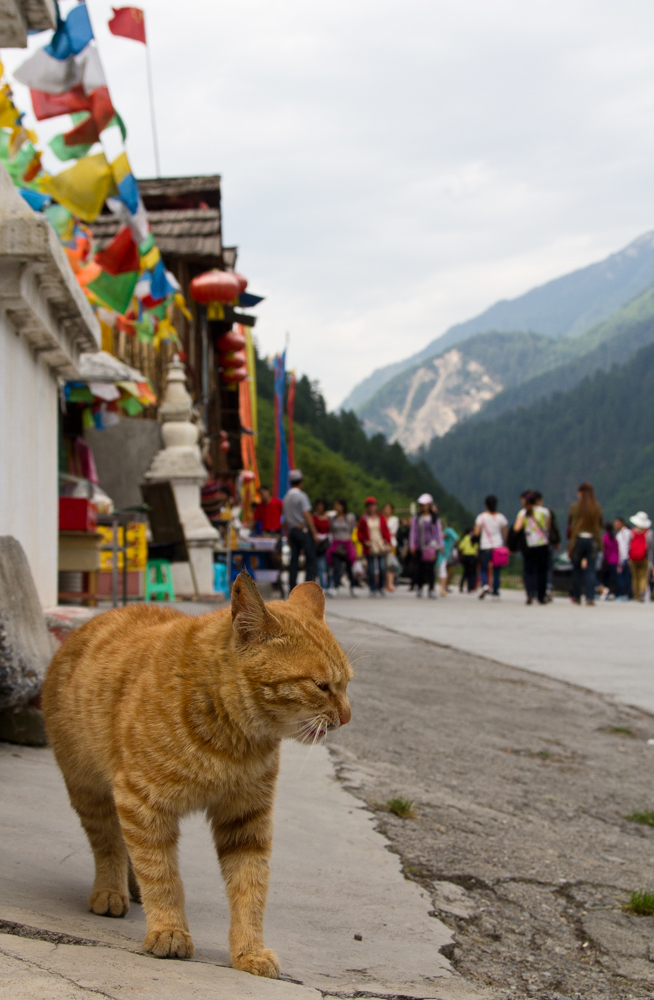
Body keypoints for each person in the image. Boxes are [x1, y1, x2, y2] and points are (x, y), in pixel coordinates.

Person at [567, 482, 603, 606]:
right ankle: (590, 597)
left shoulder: (574, 507)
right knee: (591, 570)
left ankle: (576, 597)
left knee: (577, 570)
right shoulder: (596, 507)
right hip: (592, 541)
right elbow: (601, 524)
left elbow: (570, 522)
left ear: (580, 492)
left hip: (578, 541)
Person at [283, 469, 319, 591]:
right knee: (311, 560)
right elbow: (306, 514)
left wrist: (287, 534)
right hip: (302, 530)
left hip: (292, 531)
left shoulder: (286, 497)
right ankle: (309, 589)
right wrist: (314, 533)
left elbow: (286, 519)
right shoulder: (301, 496)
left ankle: (291, 587)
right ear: (301, 482)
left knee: (294, 560)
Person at [513, 492, 551, 605]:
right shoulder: (545, 511)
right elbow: (548, 527)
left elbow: (517, 528)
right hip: (542, 543)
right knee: (542, 571)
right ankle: (541, 596)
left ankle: (530, 593)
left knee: (529, 570)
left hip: (529, 544)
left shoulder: (523, 512)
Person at [409, 494, 443, 598]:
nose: (423, 507)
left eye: (425, 504)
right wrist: (412, 545)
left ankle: (431, 589)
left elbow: (438, 532)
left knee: (431, 569)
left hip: (431, 547)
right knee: (419, 568)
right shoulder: (417, 518)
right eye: (422, 505)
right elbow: (413, 532)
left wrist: (440, 544)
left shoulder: (434, 518)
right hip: (420, 546)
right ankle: (419, 588)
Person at [474, 495, 508, 599]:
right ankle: (496, 592)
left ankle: (485, 585)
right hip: (498, 547)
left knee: (484, 568)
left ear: (486, 505)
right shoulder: (501, 517)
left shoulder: (481, 517)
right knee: (496, 570)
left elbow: (476, 532)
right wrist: (506, 545)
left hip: (486, 546)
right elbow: (505, 533)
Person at [357, 497, 392, 596]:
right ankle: (372, 588)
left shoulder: (380, 517)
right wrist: (364, 541)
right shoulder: (364, 518)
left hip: (380, 545)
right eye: (369, 506)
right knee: (371, 569)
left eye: (373, 505)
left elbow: (386, 530)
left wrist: (388, 542)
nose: (371, 508)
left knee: (381, 567)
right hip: (370, 546)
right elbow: (360, 532)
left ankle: (380, 587)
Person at [532, 490, 560, 601]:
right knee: (547, 567)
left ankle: (533, 589)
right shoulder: (547, 512)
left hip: (532, 543)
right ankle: (547, 587)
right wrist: (556, 541)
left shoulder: (527, 512)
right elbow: (553, 527)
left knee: (533, 567)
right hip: (546, 543)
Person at [327, 498, 357, 595]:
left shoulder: (349, 517)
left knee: (349, 568)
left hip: (346, 544)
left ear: (342, 506)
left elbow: (352, 528)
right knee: (336, 568)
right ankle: (335, 587)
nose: (335, 507)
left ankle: (353, 586)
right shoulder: (332, 518)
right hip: (336, 545)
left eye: (337, 505)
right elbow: (330, 529)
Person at [628, 511, 653, 602]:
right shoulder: (648, 533)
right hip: (644, 557)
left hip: (633, 557)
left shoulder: (631, 532)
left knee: (635, 577)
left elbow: (628, 545)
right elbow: (650, 546)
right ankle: (642, 591)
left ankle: (636, 595)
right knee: (643, 576)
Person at [312, 498, 331, 591]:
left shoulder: (329, 517)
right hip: (318, 544)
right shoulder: (314, 517)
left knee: (328, 566)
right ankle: (323, 585)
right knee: (320, 566)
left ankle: (330, 585)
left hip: (327, 543)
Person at [614, 516, 633, 600]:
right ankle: (625, 594)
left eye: (617, 524)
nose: (616, 526)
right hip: (620, 559)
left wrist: (629, 557)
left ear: (622, 523)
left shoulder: (627, 532)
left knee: (626, 577)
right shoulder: (618, 534)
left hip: (627, 558)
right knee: (623, 577)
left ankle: (627, 594)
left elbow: (629, 546)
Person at [438, 521, 460, 596]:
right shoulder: (440, 533)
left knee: (444, 571)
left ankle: (444, 588)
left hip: (447, 555)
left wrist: (447, 533)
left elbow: (456, 537)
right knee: (443, 570)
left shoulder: (449, 532)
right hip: (442, 555)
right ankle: (443, 588)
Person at [382, 502, 400, 592]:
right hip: (381, 544)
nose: (387, 510)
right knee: (383, 564)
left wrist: (385, 533)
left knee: (390, 565)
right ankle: (384, 583)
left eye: (389, 508)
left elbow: (393, 531)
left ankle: (390, 583)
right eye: (385, 508)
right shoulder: (380, 518)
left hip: (391, 544)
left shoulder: (394, 519)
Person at [599, 521, 619, 600]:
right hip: (615, 560)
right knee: (614, 578)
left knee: (605, 578)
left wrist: (604, 559)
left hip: (607, 560)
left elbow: (604, 550)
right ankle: (614, 593)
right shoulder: (614, 537)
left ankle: (606, 591)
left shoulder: (605, 537)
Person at [457, 527, 479, 592]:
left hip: (465, 556)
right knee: (472, 573)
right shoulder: (474, 538)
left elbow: (460, 547)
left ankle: (461, 586)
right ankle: (470, 587)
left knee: (465, 572)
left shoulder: (465, 538)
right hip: (472, 557)